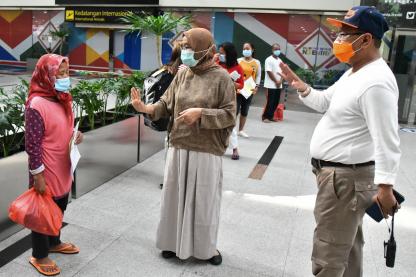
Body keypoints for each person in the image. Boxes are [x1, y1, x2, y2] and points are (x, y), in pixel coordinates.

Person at [279, 6, 401, 276]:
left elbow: (387, 139)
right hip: (339, 177)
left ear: (366, 39)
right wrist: (301, 85)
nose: (339, 39)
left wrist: (386, 187)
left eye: (346, 33)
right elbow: (325, 102)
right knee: (347, 245)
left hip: (344, 180)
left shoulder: (375, 82)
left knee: (329, 251)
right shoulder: (355, 72)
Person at [130, 28, 236, 265]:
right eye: (184, 47)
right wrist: (145, 108)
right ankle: (171, 243)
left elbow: (229, 115)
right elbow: (166, 103)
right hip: (178, 146)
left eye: (189, 47)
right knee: (174, 198)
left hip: (206, 150)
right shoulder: (183, 73)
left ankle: (205, 248)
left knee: (203, 203)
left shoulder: (222, 78)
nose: (185, 51)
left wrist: (201, 114)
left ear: (204, 49)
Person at [25, 54, 83, 276]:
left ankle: (54, 242)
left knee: (60, 205)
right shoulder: (36, 104)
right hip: (45, 168)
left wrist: (77, 135)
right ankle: (39, 254)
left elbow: (64, 128)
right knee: (42, 212)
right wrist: (37, 175)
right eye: (59, 73)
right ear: (46, 75)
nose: (64, 77)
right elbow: (32, 143)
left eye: (66, 72)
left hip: (63, 164)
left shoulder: (62, 97)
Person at [217, 42, 244, 160]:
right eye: (219, 52)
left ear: (229, 53)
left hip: (229, 99)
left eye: (222, 53)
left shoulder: (238, 68)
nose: (220, 55)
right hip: (215, 98)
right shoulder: (216, 64)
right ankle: (217, 146)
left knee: (230, 123)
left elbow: (241, 85)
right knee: (215, 122)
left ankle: (235, 148)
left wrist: (230, 82)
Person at [237, 42, 261, 138]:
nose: (245, 50)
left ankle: (241, 130)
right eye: (244, 49)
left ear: (252, 50)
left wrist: (257, 86)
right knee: (235, 110)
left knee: (245, 110)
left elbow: (258, 75)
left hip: (249, 89)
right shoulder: (238, 61)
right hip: (238, 89)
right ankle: (231, 130)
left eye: (247, 48)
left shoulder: (257, 62)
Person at [262, 43, 283, 123]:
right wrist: (276, 81)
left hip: (278, 85)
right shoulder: (268, 59)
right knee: (270, 101)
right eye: (275, 49)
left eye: (278, 49)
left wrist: (280, 81)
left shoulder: (280, 60)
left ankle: (270, 116)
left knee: (276, 101)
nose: (277, 51)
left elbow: (283, 71)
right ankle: (265, 117)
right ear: (272, 50)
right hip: (271, 85)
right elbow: (269, 71)